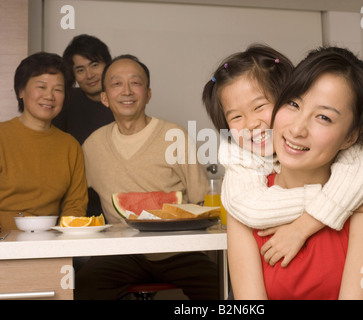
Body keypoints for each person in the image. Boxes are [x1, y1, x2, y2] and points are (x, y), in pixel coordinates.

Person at [202, 44, 363, 268]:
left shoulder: (340, 149)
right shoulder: (238, 158)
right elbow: (253, 209)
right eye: (236, 117)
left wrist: (304, 226)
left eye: (259, 107)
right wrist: (343, 201)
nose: (251, 124)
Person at [75, 55, 218, 300]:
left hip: (178, 250)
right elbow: (73, 197)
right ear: (105, 97)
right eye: (117, 84)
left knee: (222, 288)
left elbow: (203, 199)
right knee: (82, 289)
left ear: (148, 94)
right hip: (120, 253)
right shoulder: (92, 145)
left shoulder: (174, 135)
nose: (127, 91)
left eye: (136, 83)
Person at [0, 52, 88, 231]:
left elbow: (75, 206)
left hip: (49, 243)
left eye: (58, 89)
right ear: (21, 91)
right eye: (41, 86)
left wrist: (62, 242)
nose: (49, 96)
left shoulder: (70, 146)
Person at [52, 34, 114, 216]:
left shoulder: (123, 98)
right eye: (80, 69)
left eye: (95, 65)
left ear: (108, 65)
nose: (89, 75)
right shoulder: (64, 102)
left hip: (118, 197)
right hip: (76, 201)